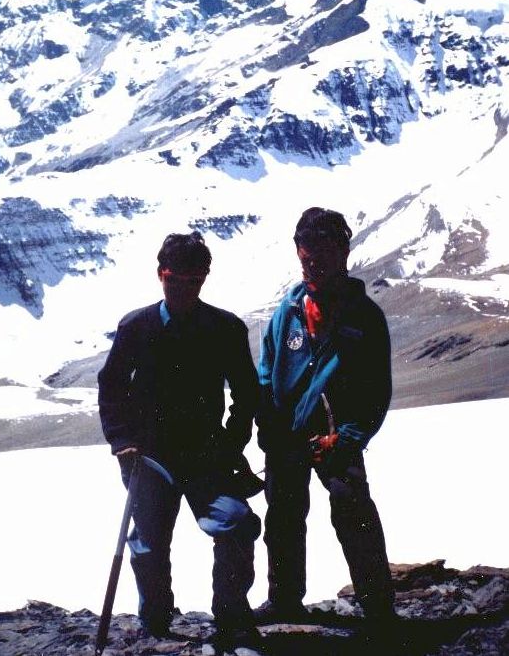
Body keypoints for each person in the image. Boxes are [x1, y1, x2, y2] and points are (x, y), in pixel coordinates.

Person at [98, 232, 263, 651]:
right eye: (177, 279)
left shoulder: (225, 329)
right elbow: (112, 385)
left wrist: (231, 442)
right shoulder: (136, 328)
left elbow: (247, 393)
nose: (185, 288)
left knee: (237, 523)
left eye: (194, 280)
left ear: (204, 278)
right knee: (149, 542)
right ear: (161, 275)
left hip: (207, 457)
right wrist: (121, 442)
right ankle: (155, 620)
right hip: (149, 459)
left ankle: (231, 617)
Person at [255, 207, 395, 627]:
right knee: (282, 514)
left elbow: (376, 390)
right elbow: (267, 367)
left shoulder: (363, 317)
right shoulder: (290, 309)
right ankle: (283, 599)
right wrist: (269, 422)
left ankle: (378, 608)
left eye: (321, 250)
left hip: (338, 436)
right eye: (305, 251)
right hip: (287, 433)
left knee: (352, 511)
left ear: (342, 251)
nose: (311, 260)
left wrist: (348, 437)